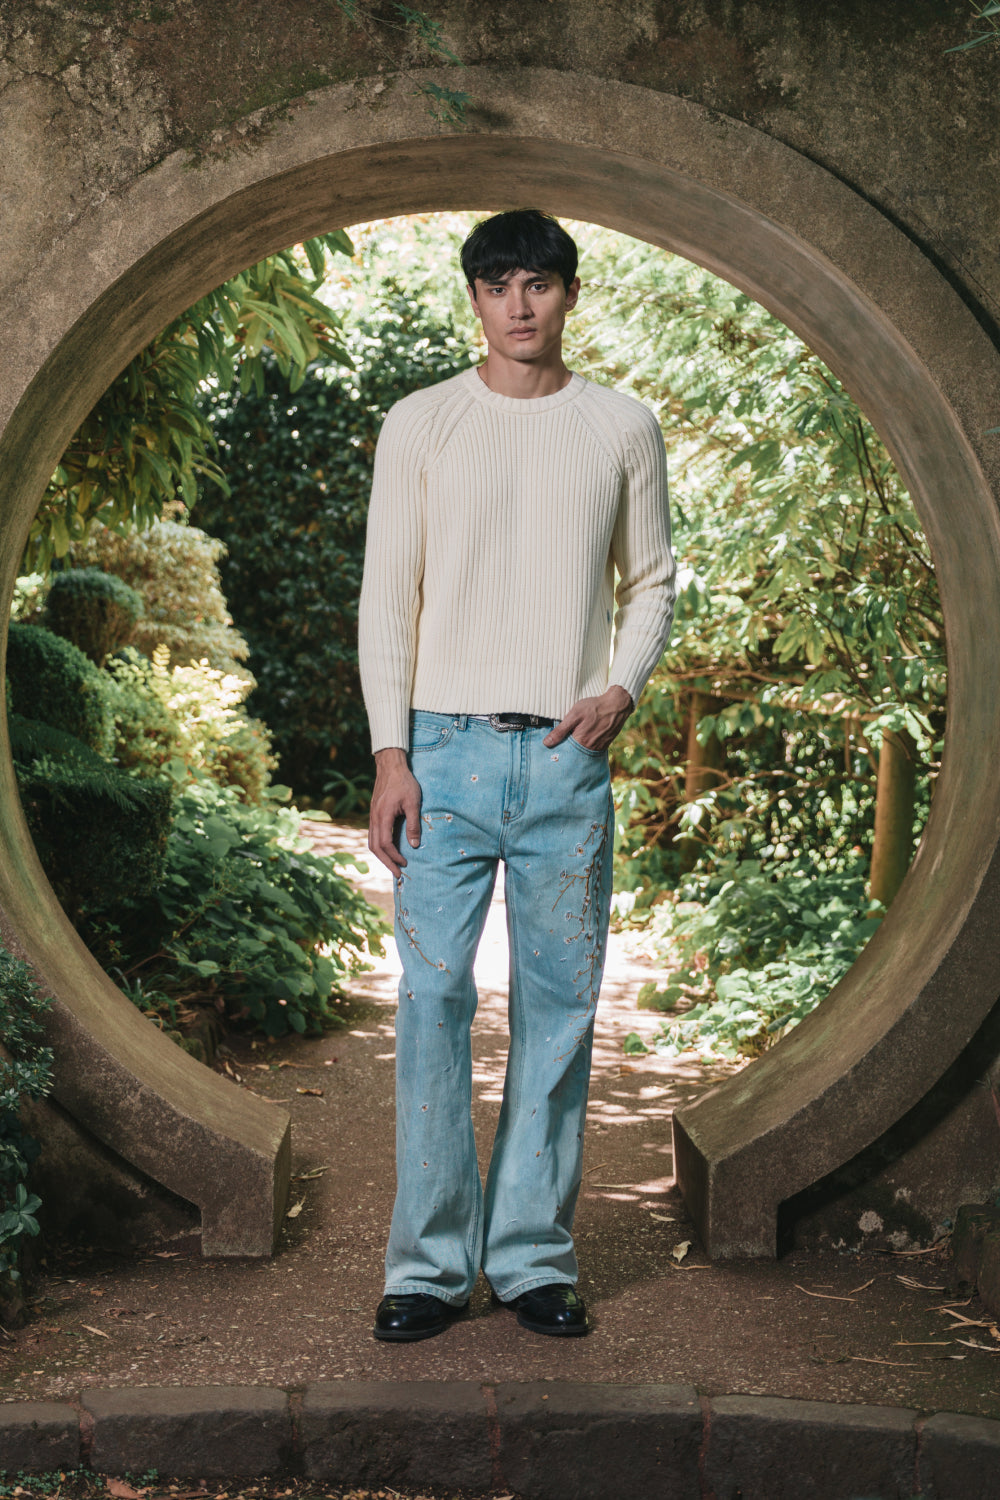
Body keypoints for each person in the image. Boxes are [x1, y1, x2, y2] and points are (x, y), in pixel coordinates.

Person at [358, 209, 675, 1342]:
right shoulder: (422, 423)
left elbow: (652, 579)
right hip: (439, 750)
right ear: (475, 299)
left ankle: (534, 1257)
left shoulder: (621, 428)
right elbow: (387, 596)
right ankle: (429, 1269)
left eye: (538, 282)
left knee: (558, 1012)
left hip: (564, 760)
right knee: (434, 1000)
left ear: (569, 294)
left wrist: (623, 686)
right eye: (497, 284)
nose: (519, 304)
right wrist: (390, 756)